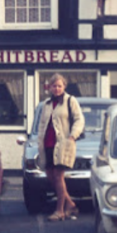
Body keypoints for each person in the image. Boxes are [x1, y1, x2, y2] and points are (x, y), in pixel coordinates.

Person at [35, 73, 84, 221]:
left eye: (59, 86)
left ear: (64, 87)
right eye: (54, 86)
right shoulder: (46, 104)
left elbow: (79, 119)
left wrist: (72, 136)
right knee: (51, 176)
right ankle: (70, 204)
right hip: (48, 144)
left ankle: (60, 210)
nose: (56, 89)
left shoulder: (70, 101)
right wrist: (40, 141)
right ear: (49, 87)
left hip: (63, 144)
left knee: (58, 176)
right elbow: (42, 124)